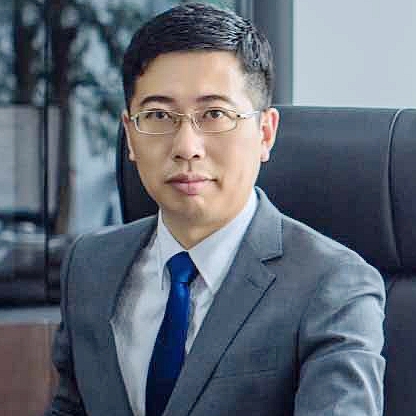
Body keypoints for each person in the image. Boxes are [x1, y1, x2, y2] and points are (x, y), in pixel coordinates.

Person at [44, 3, 385, 416]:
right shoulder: (89, 265)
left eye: (215, 114)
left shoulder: (333, 284)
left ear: (265, 133)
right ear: (130, 136)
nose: (186, 147)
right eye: (158, 115)